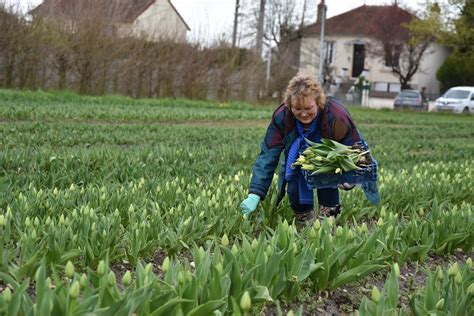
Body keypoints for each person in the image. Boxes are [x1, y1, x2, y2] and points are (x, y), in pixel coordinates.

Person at [240, 74, 366, 225]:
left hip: (329, 161)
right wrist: (255, 192)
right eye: (297, 109)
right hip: (297, 161)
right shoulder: (282, 118)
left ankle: (329, 224)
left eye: (308, 108)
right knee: (293, 187)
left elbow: (355, 146)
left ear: (318, 102)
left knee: (328, 185)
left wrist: (351, 175)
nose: (303, 114)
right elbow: (268, 155)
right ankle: (304, 225)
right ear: (289, 105)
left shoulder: (336, 115)